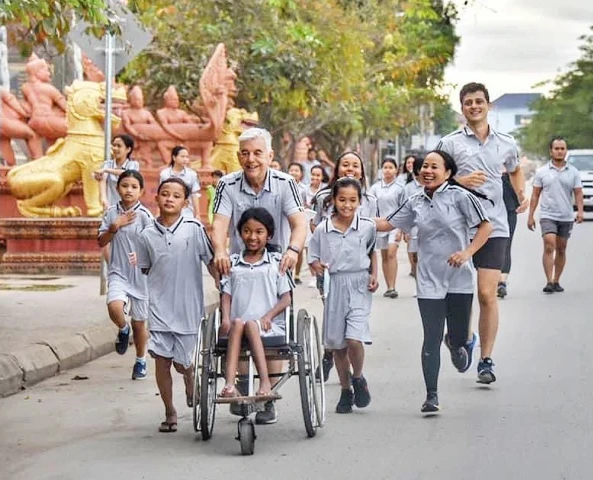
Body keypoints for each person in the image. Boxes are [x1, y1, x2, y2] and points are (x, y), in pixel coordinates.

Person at [375, 150, 492, 412]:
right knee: (431, 337)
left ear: (448, 173)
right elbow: (387, 224)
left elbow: (486, 227)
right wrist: (349, 217)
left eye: (434, 166)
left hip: (459, 278)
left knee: (459, 336)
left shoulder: (460, 197)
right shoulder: (415, 200)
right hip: (428, 278)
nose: (427, 170)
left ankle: (458, 343)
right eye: (424, 166)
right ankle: (432, 395)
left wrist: (467, 253)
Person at [212, 127, 307, 424]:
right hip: (240, 266)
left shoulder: (285, 184)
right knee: (237, 322)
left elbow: (299, 223)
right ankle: (240, 384)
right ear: (238, 156)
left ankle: (268, 394)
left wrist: (292, 250)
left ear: (269, 156)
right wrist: (220, 251)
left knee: (274, 331)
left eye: (257, 153)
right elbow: (219, 224)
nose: (251, 159)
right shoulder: (227, 185)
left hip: (275, 264)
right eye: (245, 153)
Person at [437, 82, 526, 384]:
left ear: (489, 105)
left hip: (494, 226)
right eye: (468, 103)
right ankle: (462, 338)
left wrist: (520, 192)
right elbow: (434, 178)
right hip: (458, 227)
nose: (474, 107)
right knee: (456, 295)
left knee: (487, 293)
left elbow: (514, 169)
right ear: (461, 108)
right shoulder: (449, 143)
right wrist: (460, 180)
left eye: (478, 102)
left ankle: (486, 360)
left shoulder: (506, 142)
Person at [136, 177, 216, 433]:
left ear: (185, 201)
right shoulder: (146, 234)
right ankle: (170, 410)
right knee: (162, 360)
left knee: (183, 363)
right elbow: (146, 268)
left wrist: (224, 289)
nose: (170, 199)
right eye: (165, 194)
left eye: (176, 195)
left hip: (188, 307)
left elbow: (211, 262)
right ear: (157, 198)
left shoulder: (194, 228)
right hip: (159, 306)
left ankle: (190, 376)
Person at [309, 177, 378, 413]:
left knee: (354, 338)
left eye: (352, 200)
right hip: (334, 285)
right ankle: (345, 389)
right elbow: (313, 257)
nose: (347, 205)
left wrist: (373, 275)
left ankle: (358, 377)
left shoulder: (367, 226)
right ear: (333, 200)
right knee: (338, 344)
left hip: (359, 283)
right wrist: (317, 268)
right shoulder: (322, 229)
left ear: (359, 201)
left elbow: (372, 253)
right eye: (342, 200)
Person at [219, 208, 294, 399]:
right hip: (239, 324)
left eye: (259, 232)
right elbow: (226, 295)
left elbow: (286, 298)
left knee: (252, 324)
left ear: (269, 235)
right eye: (247, 231)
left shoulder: (276, 263)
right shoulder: (233, 263)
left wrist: (268, 316)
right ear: (240, 233)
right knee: (238, 322)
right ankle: (229, 384)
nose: (252, 236)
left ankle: (265, 381)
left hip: (268, 325)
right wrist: (225, 319)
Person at [98, 171, 153, 380]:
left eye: (133, 186)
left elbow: (155, 245)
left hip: (141, 276)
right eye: (124, 186)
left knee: (139, 323)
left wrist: (142, 257)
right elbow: (101, 241)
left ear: (141, 191)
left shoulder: (146, 216)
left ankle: (140, 361)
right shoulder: (111, 213)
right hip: (118, 271)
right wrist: (114, 226)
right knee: (114, 306)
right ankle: (122, 329)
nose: (129, 190)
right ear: (117, 188)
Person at [527, 136, 584, 293]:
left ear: (566, 151)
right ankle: (549, 281)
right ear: (551, 151)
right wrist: (531, 215)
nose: (559, 151)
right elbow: (535, 195)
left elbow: (578, 193)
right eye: (556, 149)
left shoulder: (573, 172)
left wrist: (580, 211)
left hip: (565, 215)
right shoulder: (542, 172)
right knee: (549, 243)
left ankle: (557, 280)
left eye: (562, 149)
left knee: (561, 248)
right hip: (547, 214)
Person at [368, 158, 406, 298]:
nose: (388, 170)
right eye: (385, 167)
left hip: (395, 225)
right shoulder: (375, 187)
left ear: (396, 170)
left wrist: (402, 229)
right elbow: (370, 205)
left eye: (391, 167)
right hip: (379, 225)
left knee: (391, 253)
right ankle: (388, 286)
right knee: (384, 256)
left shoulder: (400, 188)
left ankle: (393, 286)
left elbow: (404, 209)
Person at [497, 170, 528, 298]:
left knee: (506, 244)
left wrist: (522, 198)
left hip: (509, 208)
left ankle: (502, 282)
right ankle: (494, 280)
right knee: (492, 246)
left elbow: (518, 178)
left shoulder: (509, 157)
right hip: (488, 210)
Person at [95, 134, 140, 209]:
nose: (115, 148)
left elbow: (127, 173)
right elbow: (102, 180)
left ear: (128, 149)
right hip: (110, 206)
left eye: (119, 146)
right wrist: (103, 198)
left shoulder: (133, 165)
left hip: (129, 206)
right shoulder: (107, 164)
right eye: (114, 145)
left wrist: (107, 170)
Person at [159, 145, 201, 219]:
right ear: (174, 157)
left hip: (187, 212)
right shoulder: (165, 174)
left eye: (187, 157)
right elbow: (160, 194)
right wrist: (158, 213)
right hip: (168, 211)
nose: (185, 159)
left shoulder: (192, 175)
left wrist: (197, 214)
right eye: (182, 156)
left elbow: (194, 195)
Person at [303, 165, 327, 288]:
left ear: (322, 177)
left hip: (321, 223)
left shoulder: (325, 191)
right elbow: (300, 204)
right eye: (313, 174)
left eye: (318, 175)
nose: (315, 177)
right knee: (309, 249)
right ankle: (313, 275)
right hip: (307, 222)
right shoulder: (304, 190)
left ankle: (321, 272)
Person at [403, 156, 424, 279]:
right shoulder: (409, 188)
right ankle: (417, 281)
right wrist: (405, 230)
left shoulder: (432, 185)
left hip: (429, 227)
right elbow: (405, 210)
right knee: (414, 256)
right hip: (413, 227)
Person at [288, 162, 308, 285]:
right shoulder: (284, 186)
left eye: (296, 170)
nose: (294, 172)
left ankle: (297, 274)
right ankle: (288, 272)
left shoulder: (304, 189)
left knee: (298, 248)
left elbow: (307, 203)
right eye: (291, 170)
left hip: (299, 219)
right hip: (287, 220)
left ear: (301, 174)